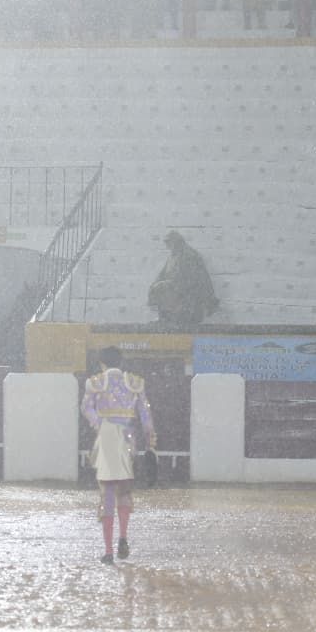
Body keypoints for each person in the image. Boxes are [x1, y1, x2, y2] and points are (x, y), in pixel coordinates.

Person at [81, 347, 157, 565]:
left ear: (102, 363)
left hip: (106, 437)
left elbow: (86, 407)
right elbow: (145, 414)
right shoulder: (133, 383)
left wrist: (99, 424)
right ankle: (123, 536)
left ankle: (108, 551)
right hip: (127, 437)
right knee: (124, 490)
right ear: (120, 362)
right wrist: (151, 441)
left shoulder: (96, 382)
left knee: (107, 492)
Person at [147, 230, 219, 328]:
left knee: (163, 288)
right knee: (158, 287)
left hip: (189, 299)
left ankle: (176, 316)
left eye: (169, 242)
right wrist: (155, 285)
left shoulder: (190, 255)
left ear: (177, 242)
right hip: (176, 291)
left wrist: (168, 284)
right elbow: (162, 274)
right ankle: (165, 318)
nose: (167, 246)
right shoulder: (173, 255)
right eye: (166, 243)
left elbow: (193, 281)